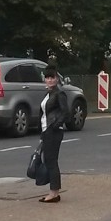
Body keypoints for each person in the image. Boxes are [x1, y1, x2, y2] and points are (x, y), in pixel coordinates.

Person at [38, 64, 68, 203]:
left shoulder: (59, 93)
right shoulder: (48, 93)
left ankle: (54, 193)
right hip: (46, 130)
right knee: (49, 160)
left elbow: (65, 112)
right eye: (47, 78)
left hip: (53, 131)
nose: (49, 80)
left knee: (51, 161)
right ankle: (53, 192)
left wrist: (54, 126)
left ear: (57, 79)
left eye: (52, 78)